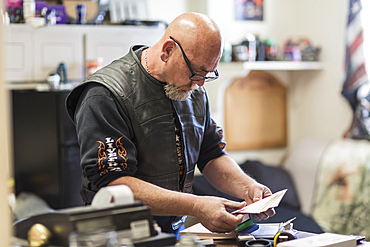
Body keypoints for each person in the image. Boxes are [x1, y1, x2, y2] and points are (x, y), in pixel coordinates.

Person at [66, 12, 275, 238]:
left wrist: (248, 188)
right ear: (167, 51)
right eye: (196, 72)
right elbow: (115, 183)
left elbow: (212, 154)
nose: (200, 83)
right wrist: (196, 206)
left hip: (171, 236)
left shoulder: (193, 90)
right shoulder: (105, 94)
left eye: (208, 73)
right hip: (115, 237)